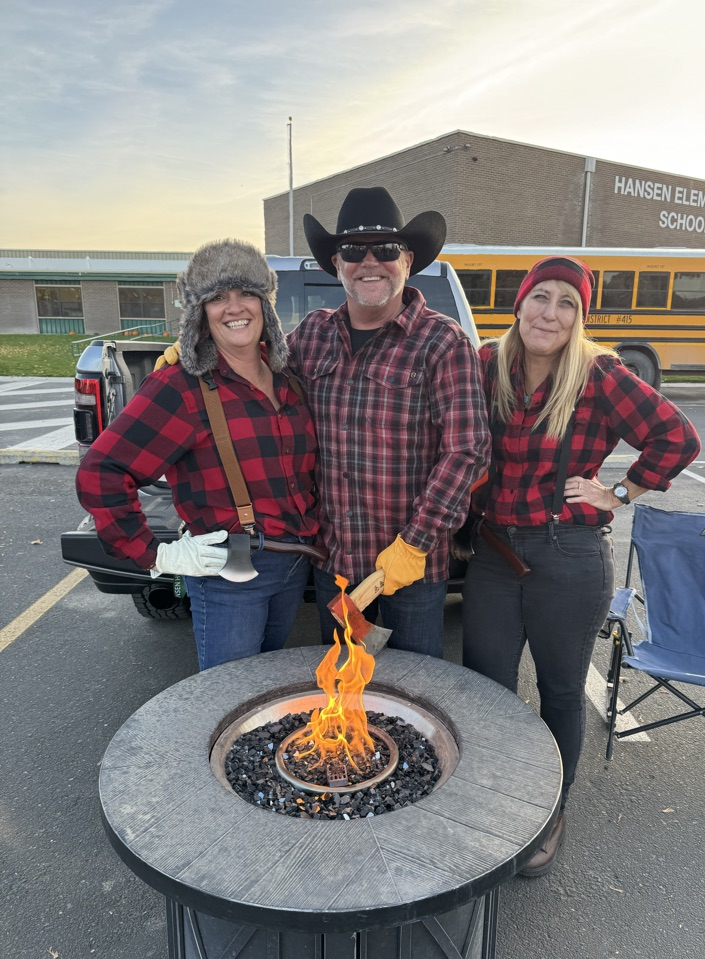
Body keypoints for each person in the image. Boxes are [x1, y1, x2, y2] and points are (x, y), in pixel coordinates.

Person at [460, 255, 701, 876]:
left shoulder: (598, 375)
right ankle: (490, 799)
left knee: (562, 691)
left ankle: (549, 812)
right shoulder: (486, 364)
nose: (552, 313)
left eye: (568, 303)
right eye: (542, 297)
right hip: (493, 552)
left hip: (568, 554)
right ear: (520, 304)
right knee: (486, 686)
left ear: (580, 316)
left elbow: (677, 437)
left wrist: (619, 494)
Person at [76, 240, 321, 670]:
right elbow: (102, 471)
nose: (234, 307)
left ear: (266, 304)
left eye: (246, 293)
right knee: (226, 701)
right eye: (217, 298)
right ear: (200, 313)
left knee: (267, 688)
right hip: (229, 572)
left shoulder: (288, 377)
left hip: (295, 563)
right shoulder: (180, 387)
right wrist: (156, 555)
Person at [288, 186, 491, 657]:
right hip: (334, 560)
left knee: (413, 694)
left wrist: (414, 544)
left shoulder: (442, 341)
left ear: (407, 260)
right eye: (354, 251)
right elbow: (252, 372)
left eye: (386, 249)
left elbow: (467, 451)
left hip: (411, 569)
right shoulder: (310, 337)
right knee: (340, 689)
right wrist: (197, 355)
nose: (369, 261)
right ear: (335, 264)